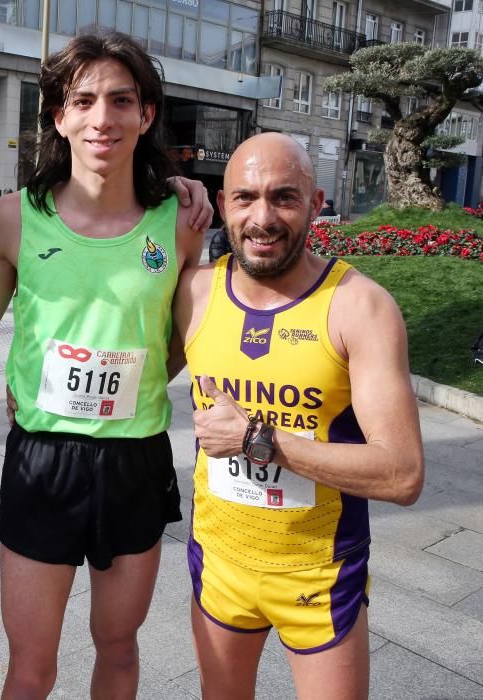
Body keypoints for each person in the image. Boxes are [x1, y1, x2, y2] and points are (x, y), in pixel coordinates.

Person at [0, 33, 207, 698]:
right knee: (30, 669)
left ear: (146, 115)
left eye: (121, 100)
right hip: (43, 463)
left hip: (137, 461)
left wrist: (142, 378)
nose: (103, 118)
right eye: (84, 100)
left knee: (118, 649)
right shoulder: (13, 219)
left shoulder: (179, 222)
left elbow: (188, 341)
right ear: (59, 116)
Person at [173, 132, 424, 699]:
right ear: (222, 204)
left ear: (316, 204)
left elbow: (403, 473)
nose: (262, 218)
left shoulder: (359, 306)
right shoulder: (195, 294)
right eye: (245, 198)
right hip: (221, 563)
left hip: (318, 572)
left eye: (284, 197)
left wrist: (259, 438)